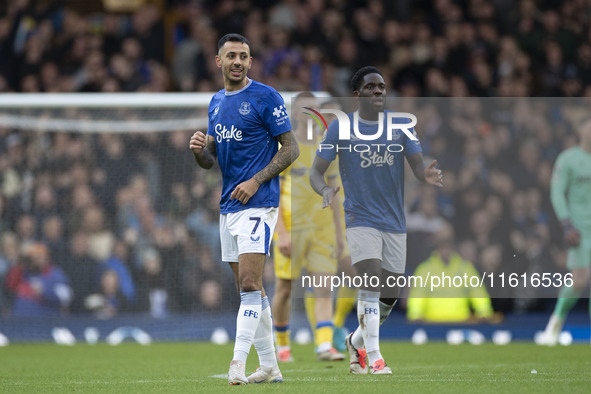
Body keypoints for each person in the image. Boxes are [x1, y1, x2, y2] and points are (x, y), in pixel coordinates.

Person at [310, 66, 443, 374]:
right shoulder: (340, 129)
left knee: (391, 291)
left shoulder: (400, 126)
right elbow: (316, 171)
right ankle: (375, 356)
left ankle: (356, 341)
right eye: (371, 87)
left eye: (381, 86)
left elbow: (418, 167)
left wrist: (427, 174)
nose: (378, 91)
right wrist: (325, 190)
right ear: (356, 95)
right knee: (370, 280)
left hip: (394, 221)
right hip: (359, 216)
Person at [189, 33, 299, 385]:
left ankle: (238, 362)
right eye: (231, 55)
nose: (237, 61)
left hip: (260, 202)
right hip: (229, 207)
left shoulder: (266, 97)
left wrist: (256, 181)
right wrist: (198, 152)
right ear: (218, 61)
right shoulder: (216, 102)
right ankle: (269, 366)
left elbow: (291, 149)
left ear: (251, 62)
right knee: (250, 290)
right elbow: (211, 160)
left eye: (244, 56)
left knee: (251, 283)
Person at [272, 92, 344, 362]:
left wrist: (339, 234)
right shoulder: (286, 148)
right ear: (294, 113)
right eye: (305, 108)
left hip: (322, 228)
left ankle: (324, 345)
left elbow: (334, 193)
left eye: (314, 108)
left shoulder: (328, 148)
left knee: (324, 287)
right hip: (292, 228)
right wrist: (280, 232)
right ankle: (282, 345)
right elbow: (274, 193)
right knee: (285, 289)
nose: (311, 112)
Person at [541, 115, 591, 345]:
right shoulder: (569, 158)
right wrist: (566, 223)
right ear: (580, 129)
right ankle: (556, 321)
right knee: (579, 280)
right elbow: (557, 191)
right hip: (580, 228)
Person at [407, 223, 494, 323]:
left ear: (453, 246)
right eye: (442, 245)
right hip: (433, 324)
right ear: (437, 247)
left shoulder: (465, 268)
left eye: (448, 245)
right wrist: (415, 316)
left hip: (460, 323)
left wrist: (485, 313)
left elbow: (478, 293)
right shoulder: (425, 269)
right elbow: (417, 295)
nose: (445, 250)